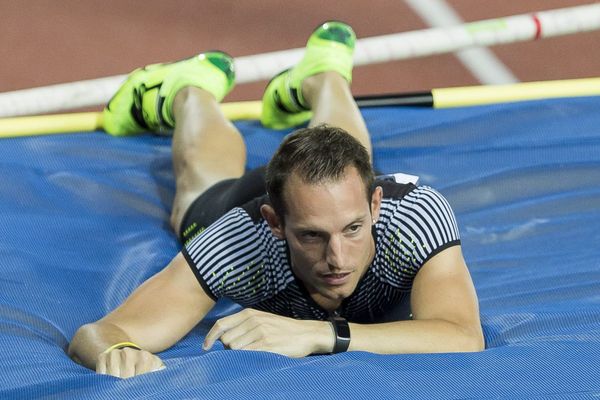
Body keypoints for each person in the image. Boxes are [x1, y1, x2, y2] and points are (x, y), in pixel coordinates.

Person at [68, 21, 484, 379]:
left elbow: (463, 336)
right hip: (235, 200)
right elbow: (100, 333)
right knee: (200, 188)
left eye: (353, 228)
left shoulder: (412, 215)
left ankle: (321, 75)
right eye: (312, 236)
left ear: (376, 206)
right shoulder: (238, 243)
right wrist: (116, 354)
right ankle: (190, 91)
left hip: (335, 194)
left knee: (345, 155)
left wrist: (321, 335)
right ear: (275, 223)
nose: (338, 258)